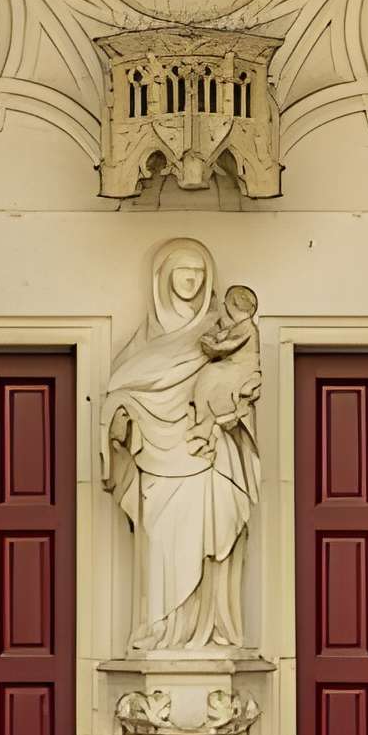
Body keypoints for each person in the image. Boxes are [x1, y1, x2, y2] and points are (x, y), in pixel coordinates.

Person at [103, 241, 262, 651]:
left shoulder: (221, 331)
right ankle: (159, 630)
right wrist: (120, 422)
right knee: (158, 546)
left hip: (206, 456)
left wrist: (228, 419)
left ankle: (209, 630)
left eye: (198, 271)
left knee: (211, 540)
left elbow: (244, 390)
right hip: (156, 460)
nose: (191, 279)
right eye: (182, 270)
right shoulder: (139, 350)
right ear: (162, 278)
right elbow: (120, 394)